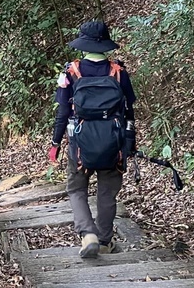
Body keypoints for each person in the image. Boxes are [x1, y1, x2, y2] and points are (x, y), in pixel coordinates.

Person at [47, 20, 136, 259]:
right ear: (106, 45)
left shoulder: (71, 72)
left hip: (79, 145)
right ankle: (105, 241)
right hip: (113, 143)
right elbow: (129, 111)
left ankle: (88, 234)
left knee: (76, 189)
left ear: (82, 45)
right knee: (107, 192)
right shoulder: (118, 71)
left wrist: (55, 143)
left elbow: (63, 112)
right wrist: (130, 144)